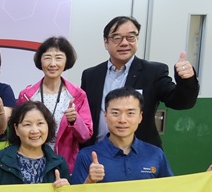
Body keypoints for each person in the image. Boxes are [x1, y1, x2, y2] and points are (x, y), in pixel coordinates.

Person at [81, 15, 199, 148]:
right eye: (117, 38)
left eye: (131, 37)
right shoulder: (90, 75)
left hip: (140, 156)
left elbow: (181, 102)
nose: (124, 43)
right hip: (97, 152)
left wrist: (186, 81)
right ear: (105, 42)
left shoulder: (153, 71)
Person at [18, 36, 92, 173]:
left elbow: (85, 136)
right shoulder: (27, 95)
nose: (52, 64)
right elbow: (17, 132)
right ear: (40, 61)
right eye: (47, 58)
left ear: (66, 61)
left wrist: (75, 120)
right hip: (31, 162)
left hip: (65, 164)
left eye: (58, 58)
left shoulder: (77, 95)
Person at [71, 88, 173, 184]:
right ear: (105, 116)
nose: (122, 120)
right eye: (115, 113)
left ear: (140, 117)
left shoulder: (155, 154)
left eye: (130, 113)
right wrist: (89, 181)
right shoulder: (87, 155)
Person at [0, 101, 70, 186]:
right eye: (27, 124)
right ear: (16, 129)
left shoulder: (59, 163)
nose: (35, 130)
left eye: (40, 124)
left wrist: (67, 190)